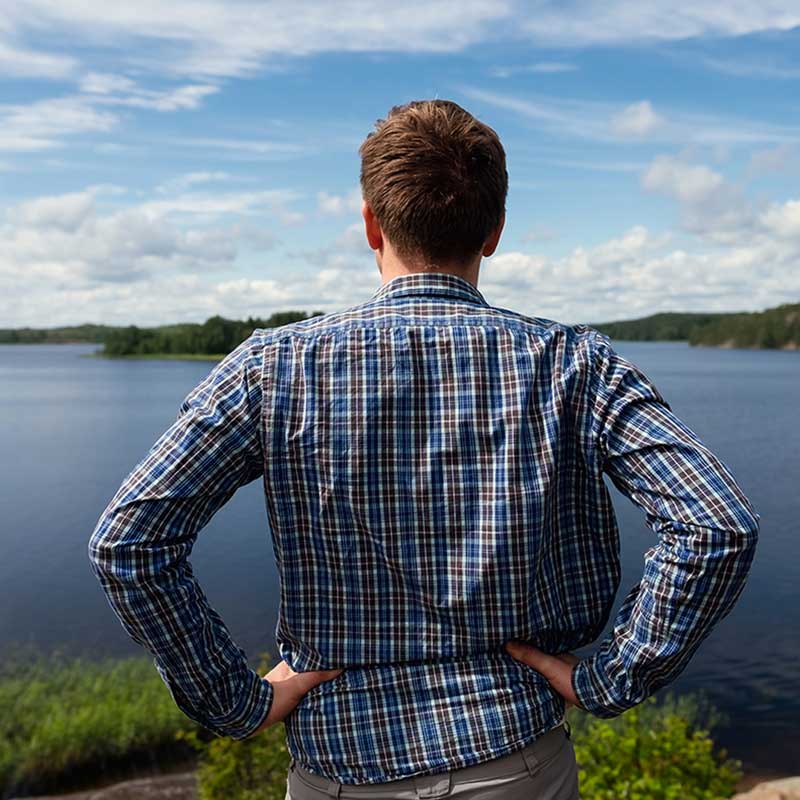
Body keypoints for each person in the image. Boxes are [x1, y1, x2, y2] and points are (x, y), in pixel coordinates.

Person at [88, 99, 760, 800]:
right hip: (517, 758)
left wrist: (236, 701)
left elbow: (129, 544)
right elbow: (716, 523)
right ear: (495, 231)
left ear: (371, 225)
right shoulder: (574, 364)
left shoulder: (274, 366)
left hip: (340, 768)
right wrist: (610, 678)